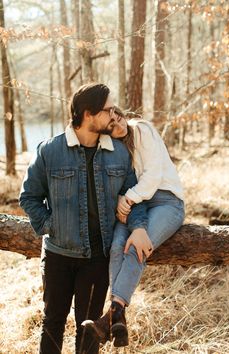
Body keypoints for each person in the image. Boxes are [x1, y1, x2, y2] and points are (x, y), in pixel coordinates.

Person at [19, 84, 149, 354]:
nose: (114, 115)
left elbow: (133, 198)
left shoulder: (119, 154)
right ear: (88, 114)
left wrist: (138, 228)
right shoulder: (49, 151)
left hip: (97, 259)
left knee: (88, 329)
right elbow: (29, 197)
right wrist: (50, 227)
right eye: (108, 110)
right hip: (58, 256)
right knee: (52, 322)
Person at [82, 107, 185, 347]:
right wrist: (125, 199)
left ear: (121, 114)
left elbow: (152, 176)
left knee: (134, 247)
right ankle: (117, 319)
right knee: (117, 246)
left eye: (118, 118)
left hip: (167, 202)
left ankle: (111, 316)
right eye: (111, 125)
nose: (118, 124)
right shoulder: (114, 148)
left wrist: (126, 199)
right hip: (139, 205)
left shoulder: (142, 130)